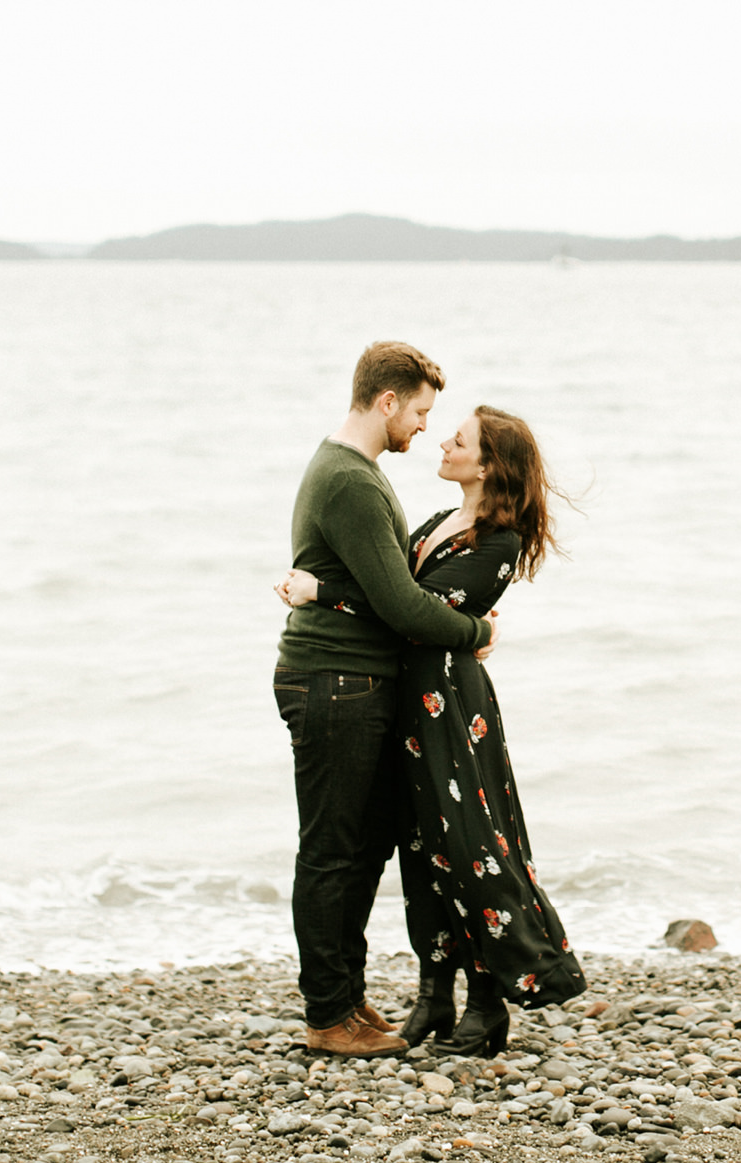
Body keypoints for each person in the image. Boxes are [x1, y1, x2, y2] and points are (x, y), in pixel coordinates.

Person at [283, 403, 586, 1058]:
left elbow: (411, 615)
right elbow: (391, 587)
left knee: (470, 849)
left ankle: (487, 1003)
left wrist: (322, 595)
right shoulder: (442, 521)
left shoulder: (498, 543)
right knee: (422, 853)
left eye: (461, 438)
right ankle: (433, 994)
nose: (443, 440)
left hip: (449, 709)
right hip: (412, 706)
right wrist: (326, 585)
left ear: (488, 465)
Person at [272, 342, 499, 1059]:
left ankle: (344, 997)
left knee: (360, 850)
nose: (426, 428)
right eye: (422, 411)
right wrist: (475, 628)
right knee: (333, 853)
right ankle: (327, 1012)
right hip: (335, 681)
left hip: (348, 679)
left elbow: (377, 592)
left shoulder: (350, 470)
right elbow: (401, 603)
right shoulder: (350, 480)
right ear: (387, 401)